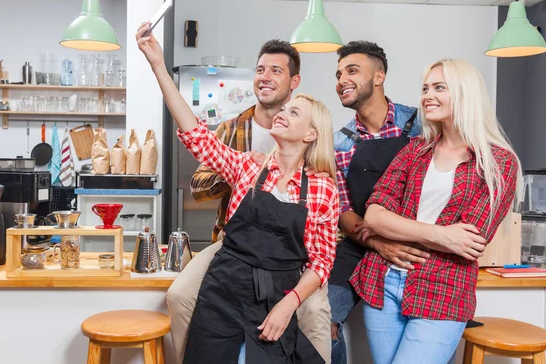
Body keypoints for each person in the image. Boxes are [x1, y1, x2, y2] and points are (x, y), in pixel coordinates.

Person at [137, 22, 339, 363]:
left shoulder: (321, 188)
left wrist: (290, 302)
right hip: (232, 264)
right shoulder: (248, 165)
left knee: (316, 320)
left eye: (293, 112)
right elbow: (196, 136)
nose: (282, 115)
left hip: (286, 274)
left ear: (311, 135)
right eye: (260, 69)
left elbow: (321, 260)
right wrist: (158, 65)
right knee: (187, 304)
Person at [349, 59, 522, 364]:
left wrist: (398, 226)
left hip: (443, 290)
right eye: (426, 88)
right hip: (383, 283)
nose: (427, 95)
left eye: (439, 87)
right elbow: (374, 215)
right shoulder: (415, 150)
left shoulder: (498, 163)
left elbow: (470, 240)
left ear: (465, 93)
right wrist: (441, 235)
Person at [327, 41, 428, 363]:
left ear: (379, 76)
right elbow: (343, 210)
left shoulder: (422, 126)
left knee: (424, 328)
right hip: (360, 243)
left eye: (352, 70)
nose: (342, 79)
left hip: (420, 241)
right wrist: (379, 242)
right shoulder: (339, 141)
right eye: (339, 73)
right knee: (320, 319)